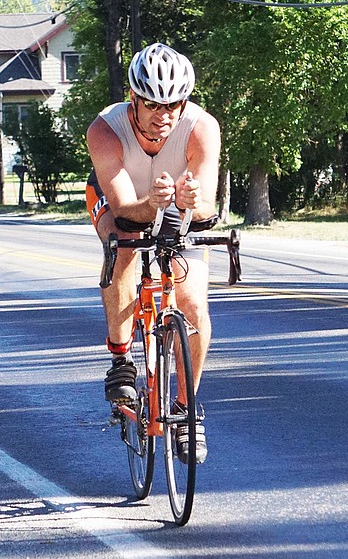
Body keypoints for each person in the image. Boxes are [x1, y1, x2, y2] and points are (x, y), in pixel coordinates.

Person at [85, 43, 221, 465]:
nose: (163, 116)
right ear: (133, 99)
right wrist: (153, 204)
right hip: (120, 200)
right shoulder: (105, 130)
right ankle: (122, 359)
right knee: (123, 245)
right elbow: (127, 209)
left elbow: (207, 208)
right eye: (152, 105)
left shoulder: (201, 127)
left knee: (193, 303)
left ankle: (186, 406)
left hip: (176, 204)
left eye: (173, 105)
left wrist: (188, 201)